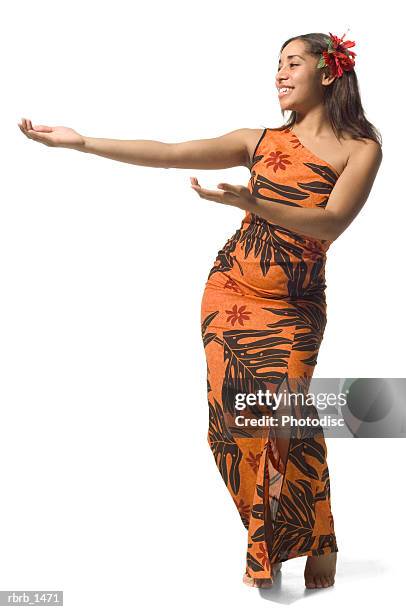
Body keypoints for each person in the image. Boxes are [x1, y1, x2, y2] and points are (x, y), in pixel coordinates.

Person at [18, 30, 382, 590]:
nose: (279, 74)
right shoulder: (256, 141)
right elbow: (167, 153)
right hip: (231, 293)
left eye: (292, 63)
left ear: (328, 73)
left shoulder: (361, 150)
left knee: (285, 423)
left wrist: (253, 201)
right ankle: (283, 541)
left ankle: (311, 540)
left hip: (293, 305)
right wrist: (81, 142)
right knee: (229, 428)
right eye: (276, 65)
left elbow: (331, 224)